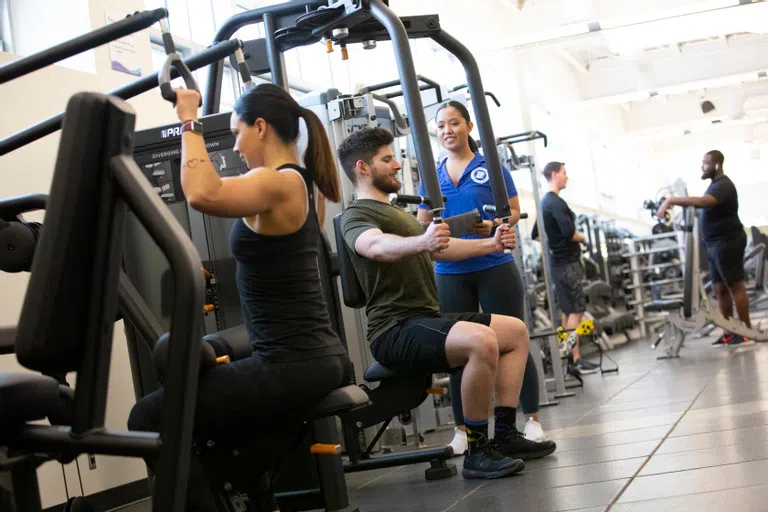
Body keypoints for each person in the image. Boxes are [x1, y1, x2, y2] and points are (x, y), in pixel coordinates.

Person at [128, 83, 352, 511]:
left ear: (261, 127)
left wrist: (188, 121)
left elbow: (201, 193)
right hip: (313, 356)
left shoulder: (274, 182)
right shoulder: (306, 184)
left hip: (292, 364)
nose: (236, 145)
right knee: (185, 366)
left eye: (236, 132)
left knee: (148, 417)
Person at [337, 127, 556, 481]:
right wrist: (422, 242)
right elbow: (374, 247)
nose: (396, 165)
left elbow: (442, 248)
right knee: (481, 341)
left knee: (514, 332)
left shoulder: (400, 214)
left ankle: (505, 435)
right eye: (387, 159)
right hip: (393, 329)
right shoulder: (358, 215)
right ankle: (477, 450)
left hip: (425, 318)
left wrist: (492, 245)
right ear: (363, 168)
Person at [415, 101, 549, 456]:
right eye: (441, 125)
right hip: (449, 272)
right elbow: (421, 222)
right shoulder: (431, 174)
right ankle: (463, 430)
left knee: (514, 339)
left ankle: (531, 420)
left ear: (469, 126)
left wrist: (493, 225)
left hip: (493, 265)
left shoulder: (492, 168)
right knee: (459, 351)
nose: (447, 130)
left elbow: (516, 210)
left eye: (454, 123)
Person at [657, 150, 751, 346]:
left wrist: (671, 200)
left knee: (735, 286)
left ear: (716, 165)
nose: (702, 167)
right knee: (719, 289)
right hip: (715, 243)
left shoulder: (723, 185)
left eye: (706, 163)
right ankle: (730, 331)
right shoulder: (713, 185)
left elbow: (704, 202)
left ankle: (746, 330)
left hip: (728, 241)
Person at [531, 162, 599, 374]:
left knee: (567, 311)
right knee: (577, 310)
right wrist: (584, 238)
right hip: (567, 264)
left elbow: (536, 234)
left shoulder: (545, 203)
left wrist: (554, 246)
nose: (567, 177)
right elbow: (570, 233)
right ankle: (571, 356)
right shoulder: (556, 203)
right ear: (554, 175)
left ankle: (572, 357)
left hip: (557, 264)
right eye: (564, 173)